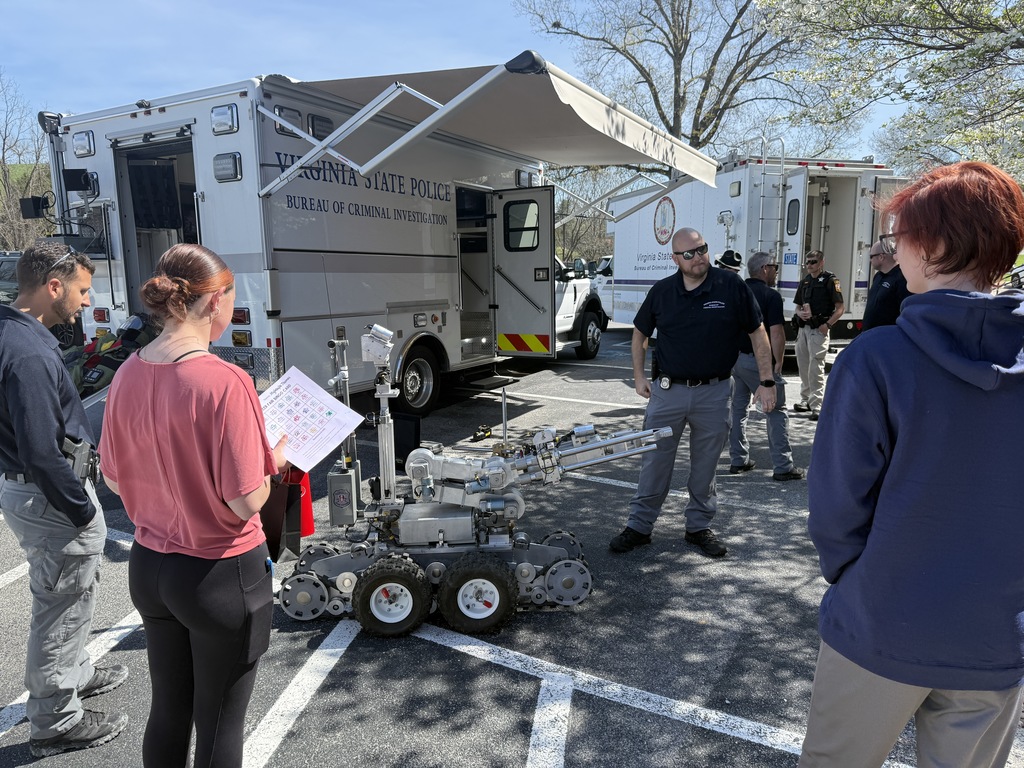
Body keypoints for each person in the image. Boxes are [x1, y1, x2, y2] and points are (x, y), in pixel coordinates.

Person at [800, 161, 1024, 767]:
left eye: (899, 235)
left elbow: (837, 507)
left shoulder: (878, 357)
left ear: (930, 244)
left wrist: (857, 579)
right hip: (995, 632)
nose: (893, 249)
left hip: (882, 619)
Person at [99, 244, 288, 768]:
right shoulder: (227, 382)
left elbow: (114, 481)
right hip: (219, 573)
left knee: (169, 709)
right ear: (214, 302)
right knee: (221, 722)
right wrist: (271, 460)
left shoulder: (127, 374)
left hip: (150, 565)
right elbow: (245, 499)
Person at [0, 242, 129, 758]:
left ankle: (74, 673)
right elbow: (40, 450)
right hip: (50, 498)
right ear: (53, 286)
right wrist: (80, 508)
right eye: (79, 289)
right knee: (59, 603)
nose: (85, 299)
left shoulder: (13, 330)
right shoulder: (28, 352)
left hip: (34, 493)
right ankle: (55, 719)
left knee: (70, 594)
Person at [609, 228, 776, 558]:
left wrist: (766, 381)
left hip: (714, 394)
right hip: (668, 393)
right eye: (689, 253)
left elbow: (758, 332)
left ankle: (698, 527)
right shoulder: (663, 291)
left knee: (705, 466)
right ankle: (640, 527)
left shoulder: (730, 286)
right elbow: (640, 332)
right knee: (655, 462)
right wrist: (640, 376)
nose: (698, 257)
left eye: (702, 249)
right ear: (675, 259)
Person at [729, 251, 803, 481]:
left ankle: (738, 460)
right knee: (776, 410)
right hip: (758, 362)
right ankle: (783, 466)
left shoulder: (737, 292)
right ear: (764, 269)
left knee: (738, 410)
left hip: (736, 360)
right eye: (775, 267)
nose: (776, 271)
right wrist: (777, 362)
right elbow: (777, 332)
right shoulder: (771, 296)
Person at [792, 250, 844, 420]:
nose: (809, 265)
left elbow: (840, 308)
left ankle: (817, 405)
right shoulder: (805, 281)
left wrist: (828, 325)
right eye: (807, 262)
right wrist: (800, 314)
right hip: (804, 329)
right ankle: (805, 399)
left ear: (822, 262)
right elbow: (797, 306)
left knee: (816, 367)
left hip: (818, 330)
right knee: (803, 365)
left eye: (813, 262)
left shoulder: (830, 280)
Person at [861, 238, 910, 330]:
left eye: (871, 256)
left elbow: (905, 312)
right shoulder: (878, 276)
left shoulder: (901, 278)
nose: (870, 260)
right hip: (869, 334)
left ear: (881, 257)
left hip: (886, 336)